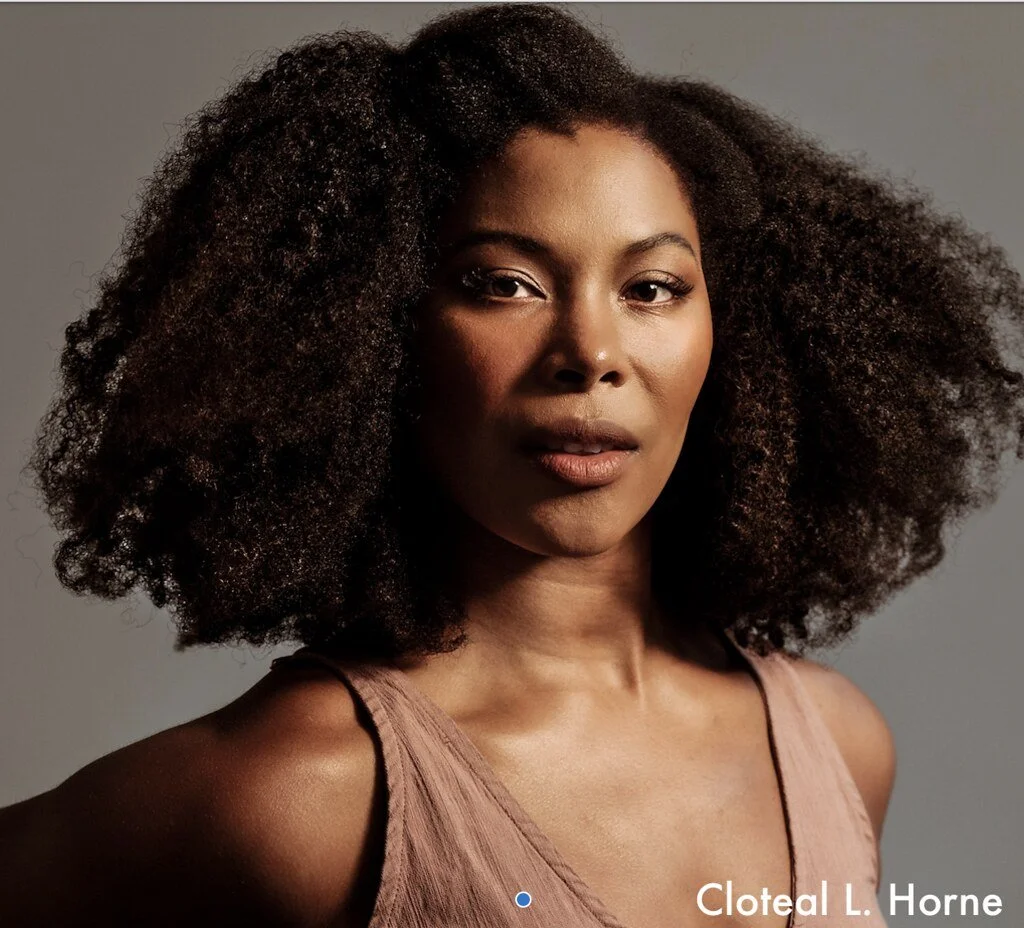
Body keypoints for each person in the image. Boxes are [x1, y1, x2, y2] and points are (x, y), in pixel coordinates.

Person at [2, 4, 1023, 927]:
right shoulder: (307, 795)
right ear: (370, 329)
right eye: (505, 283)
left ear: (735, 330)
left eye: (653, 288)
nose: (591, 353)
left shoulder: (836, 742)